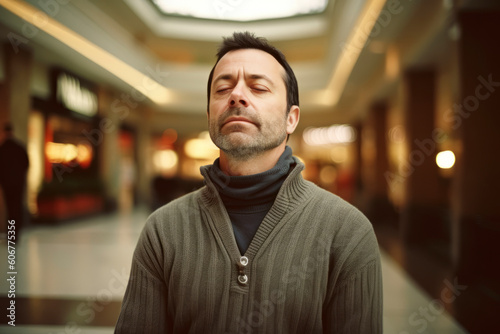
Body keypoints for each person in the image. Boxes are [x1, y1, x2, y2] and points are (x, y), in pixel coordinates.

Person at [115, 32, 382, 333]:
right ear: (209, 115)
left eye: (258, 87)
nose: (236, 95)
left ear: (291, 119)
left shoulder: (347, 232)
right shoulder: (163, 230)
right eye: (223, 88)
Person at [0, 123, 29, 240]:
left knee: (11, 209)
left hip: (7, 184)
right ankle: (15, 234)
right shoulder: (19, 147)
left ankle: (11, 235)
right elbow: (26, 164)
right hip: (18, 183)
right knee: (16, 208)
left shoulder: (3, 148)